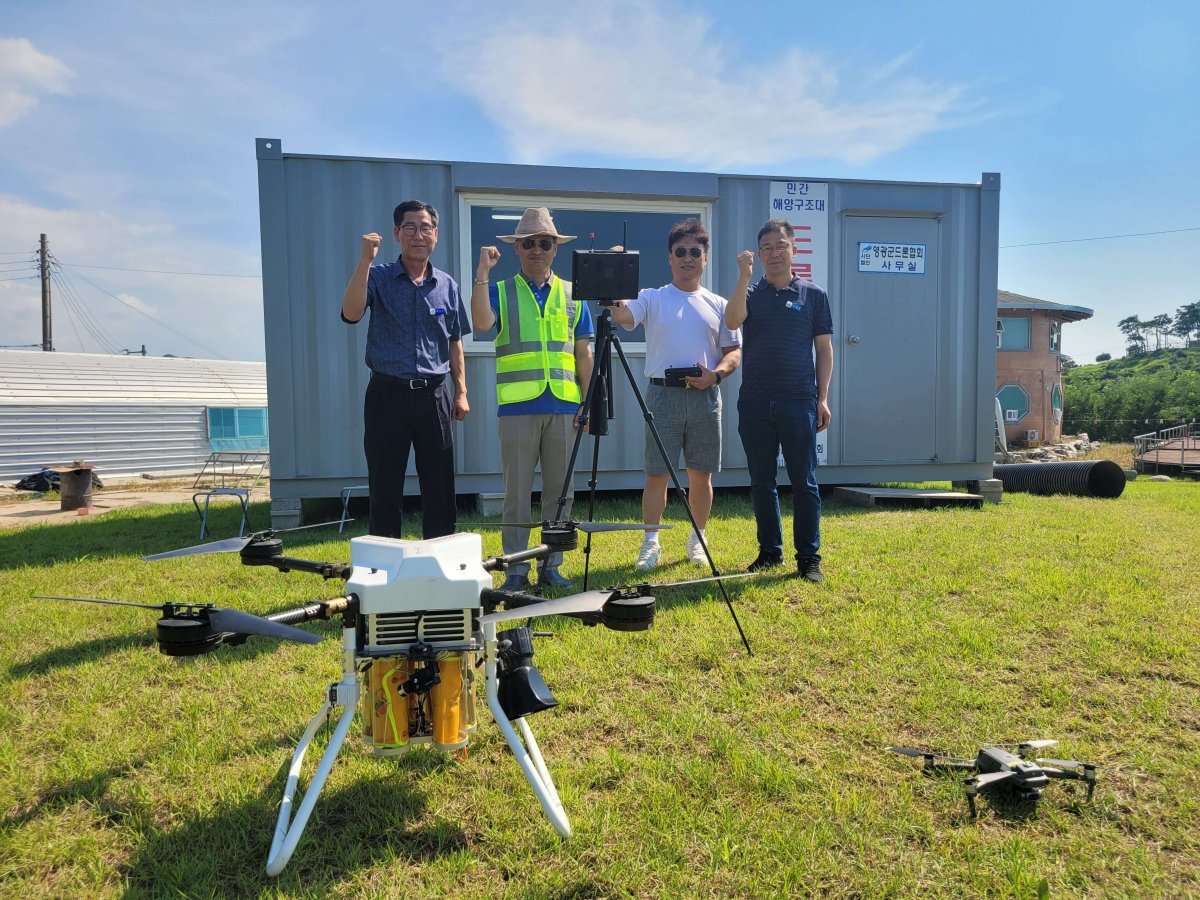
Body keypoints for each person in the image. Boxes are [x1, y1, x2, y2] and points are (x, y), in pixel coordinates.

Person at [471, 208, 595, 591]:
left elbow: (584, 353)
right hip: (518, 408)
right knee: (517, 495)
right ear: (517, 248)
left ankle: (552, 566)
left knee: (561, 495)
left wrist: (589, 402)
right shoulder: (500, 290)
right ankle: (516, 570)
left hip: (565, 408)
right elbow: (480, 324)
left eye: (544, 243)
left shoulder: (574, 293)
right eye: (528, 243)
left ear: (555, 248)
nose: (536, 249)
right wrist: (482, 273)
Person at [609, 218, 741, 570]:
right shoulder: (651, 298)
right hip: (662, 397)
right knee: (657, 474)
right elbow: (622, 316)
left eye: (695, 253)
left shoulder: (719, 304)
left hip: (705, 397)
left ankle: (698, 539)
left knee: (701, 474)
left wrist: (716, 375)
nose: (687, 259)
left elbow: (734, 352)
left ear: (705, 258)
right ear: (669, 257)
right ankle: (650, 542)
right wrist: (615, 276)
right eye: (680, 252)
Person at [341, 199, 470, 539]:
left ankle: (440, 558)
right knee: (384, 484)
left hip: (435, 395)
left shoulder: (447, 285)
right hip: (388, 394)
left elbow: (455, 341)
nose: (418, 235)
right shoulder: (378, 276)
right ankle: (384, 562)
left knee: (440, 485)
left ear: (436, 234)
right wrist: (364, 261)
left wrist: (461, 392)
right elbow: (351, 314)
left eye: (426, 227)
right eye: (410, 227)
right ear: (397, 233)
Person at [725, 218, 833, 582]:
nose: (775, 253)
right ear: (759, 254)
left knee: (805, 482)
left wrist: (822, 398)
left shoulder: (813, 295)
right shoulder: (750, 293)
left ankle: (809, 558)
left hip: (799, 400)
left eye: (781, 246)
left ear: (794, 250)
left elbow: (824, 350)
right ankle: (770, 552)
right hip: (755, 402)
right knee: (762, 481)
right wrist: (743, 277)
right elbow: (732, 321)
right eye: (767, 248)